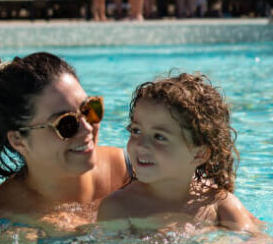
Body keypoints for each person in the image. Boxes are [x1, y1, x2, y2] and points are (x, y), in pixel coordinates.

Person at [0, 52, 130, 236]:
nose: (87, 129)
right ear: (19, 140)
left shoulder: (133, 172)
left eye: (90, 110)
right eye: (66, 123)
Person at [98, 73, 258, 232]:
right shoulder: (120, 208)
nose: (141, 145)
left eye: (159, 137)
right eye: (136, 130)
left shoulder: (218, 204)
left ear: (198, 154)